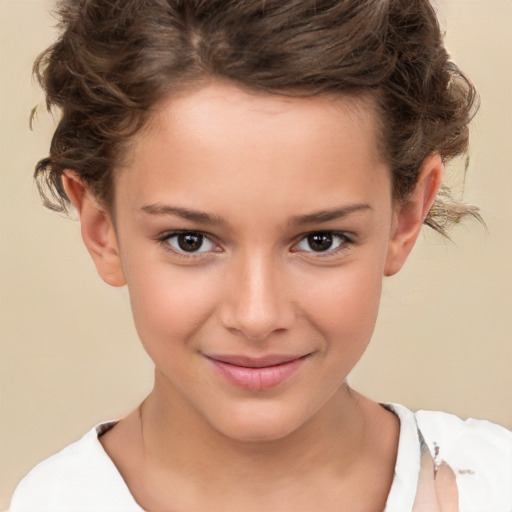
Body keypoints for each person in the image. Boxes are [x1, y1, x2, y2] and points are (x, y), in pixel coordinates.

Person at [9, 0, 511, 511]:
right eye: (190, 240)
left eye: (321, 240)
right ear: (102, 229)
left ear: (405, 217)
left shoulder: (493, 487)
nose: (257, 316)